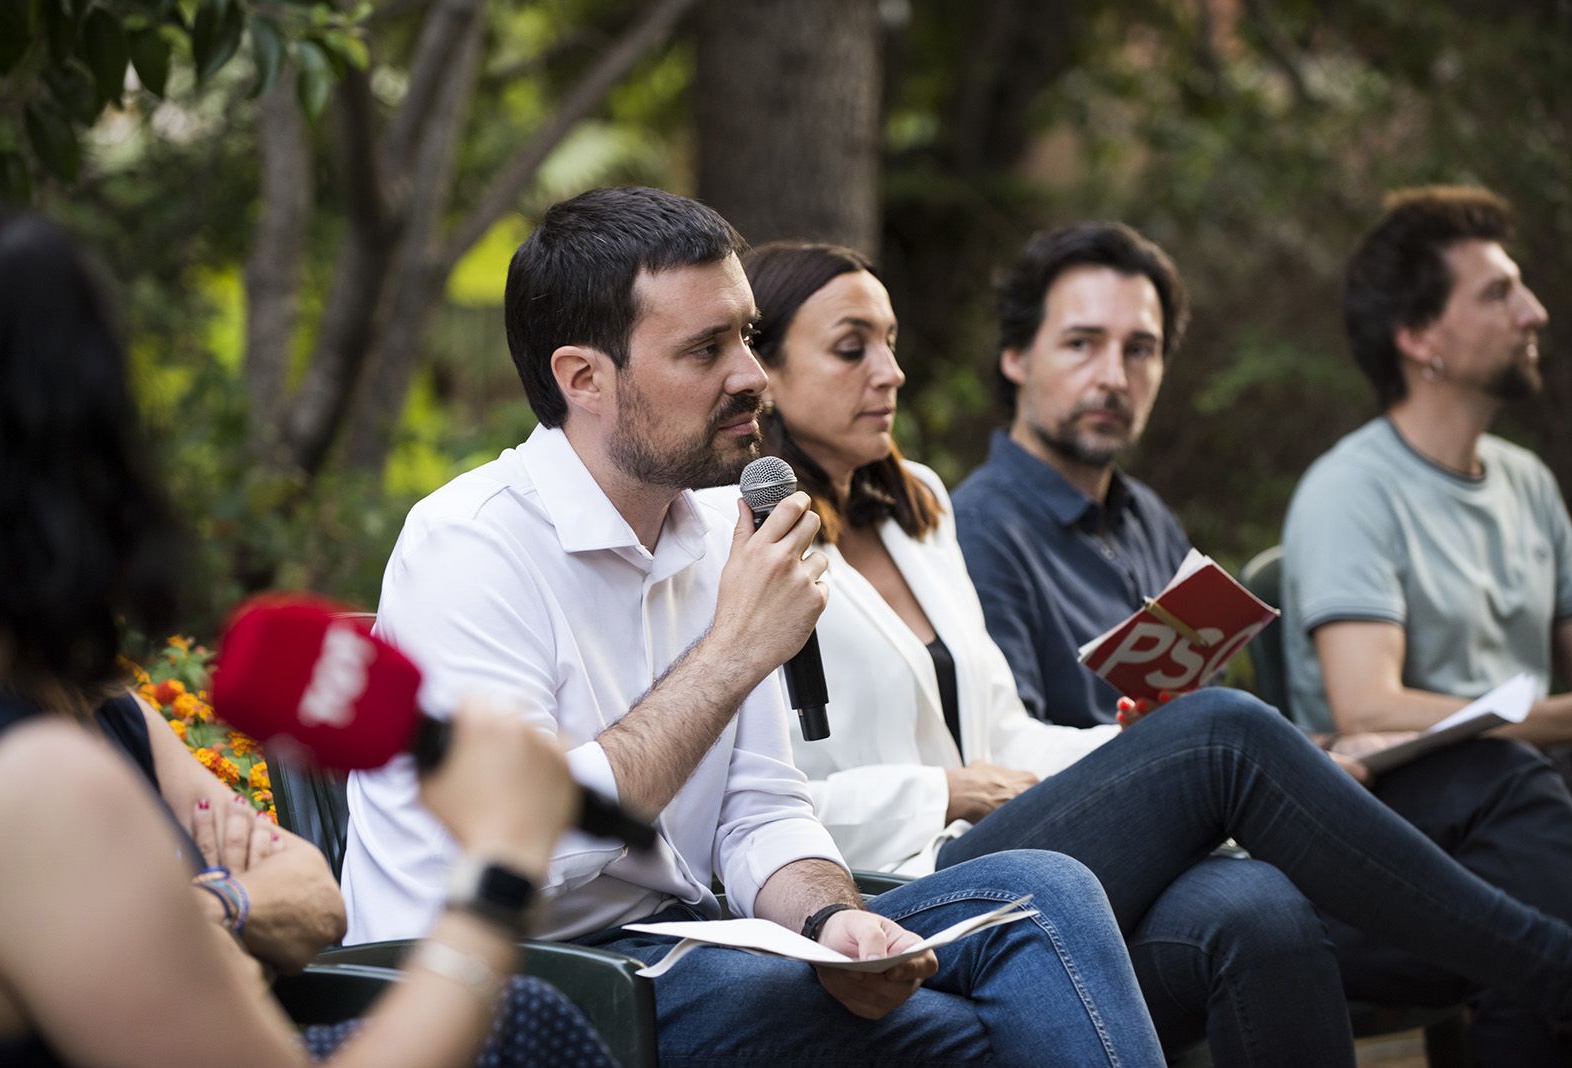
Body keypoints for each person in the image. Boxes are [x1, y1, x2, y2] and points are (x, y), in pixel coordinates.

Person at [340, 186, 1169, 1066]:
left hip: (689, 944)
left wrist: (832, 917)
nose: (753, 375)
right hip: (509, 983)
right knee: (963, 1035)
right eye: (707, 348)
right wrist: (734, 651)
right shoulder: (472, 546)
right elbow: (524, 841)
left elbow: (762, 810)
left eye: (745, 334)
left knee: (1040, 891)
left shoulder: (715, 528)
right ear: (582, 377)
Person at [0, 202, 608, 1068]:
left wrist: (218, 906)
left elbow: (310, 891)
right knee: (529, 1021)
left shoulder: (97, 712)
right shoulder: (36, 789)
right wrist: (497, 870)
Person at [951, 218, 1572, 1066]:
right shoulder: (978, 530)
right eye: (1082, 344)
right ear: (1015, 358)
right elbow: (1002, 764)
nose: (1114, 375)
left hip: (1225, 823)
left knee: (1503, 787)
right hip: (1120, 878)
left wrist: (1306, 752)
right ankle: (1543, 965)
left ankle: (1532, 963)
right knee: (1490, 903)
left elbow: (1201, 710)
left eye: (1142, 349)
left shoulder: (1141, 517)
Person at [1281, 186, 1572, 1063]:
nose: (1535, 311)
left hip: (1521, 810)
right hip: (1393, 820)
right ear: (1419, 340)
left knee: (1538, 862)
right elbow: (1367, 701)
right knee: (1532, 836)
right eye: (1497, 294)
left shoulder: (1527, 483)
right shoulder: (1352, 491)